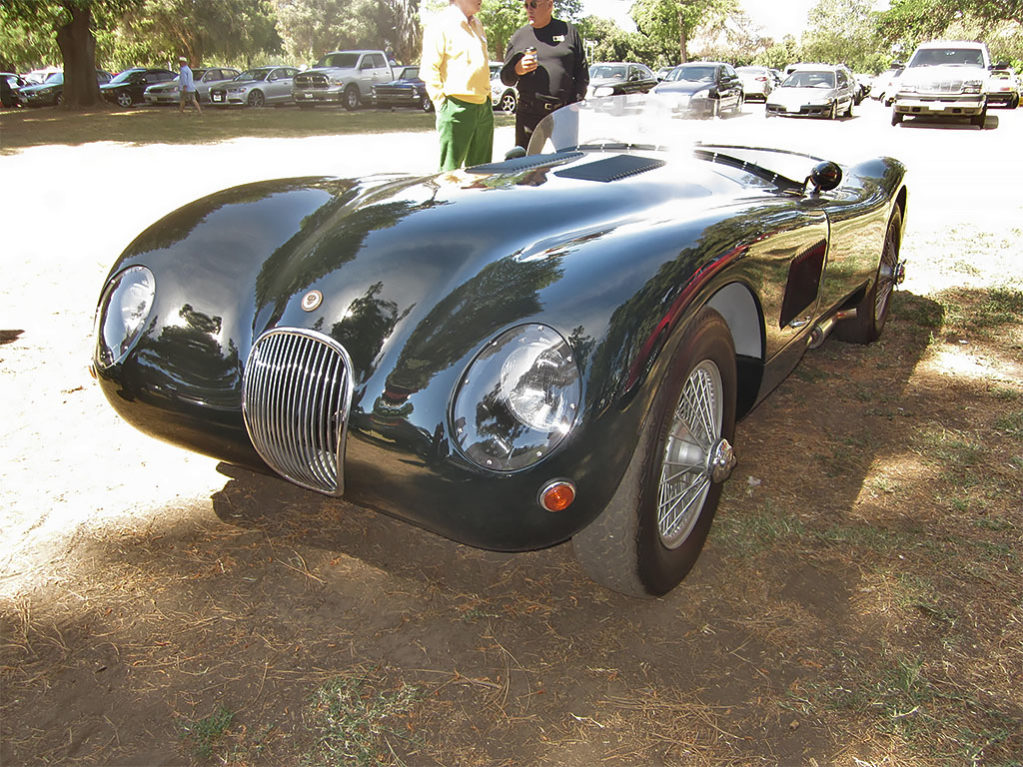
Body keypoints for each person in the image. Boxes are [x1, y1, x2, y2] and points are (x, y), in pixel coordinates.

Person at [501, 0, 588, 151]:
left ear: (549, 5)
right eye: (526, 5)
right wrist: (518, 69)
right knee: (526, 167)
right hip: (529, 114)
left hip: (564, 112)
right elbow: (505, 78)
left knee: (566, 163)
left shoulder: (568, 31)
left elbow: (582, 72)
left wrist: (576, 102)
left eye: (533, 4)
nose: (529, 9)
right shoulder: (519, 37)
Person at [420, 0, 494, 171]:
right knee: (449, 172)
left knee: (482, 173)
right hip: (455, 106)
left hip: (483, 106)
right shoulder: (440, 24)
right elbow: (429, 68)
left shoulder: (477, 24)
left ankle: (478, 198)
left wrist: (488, 99)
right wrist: (442, 104)